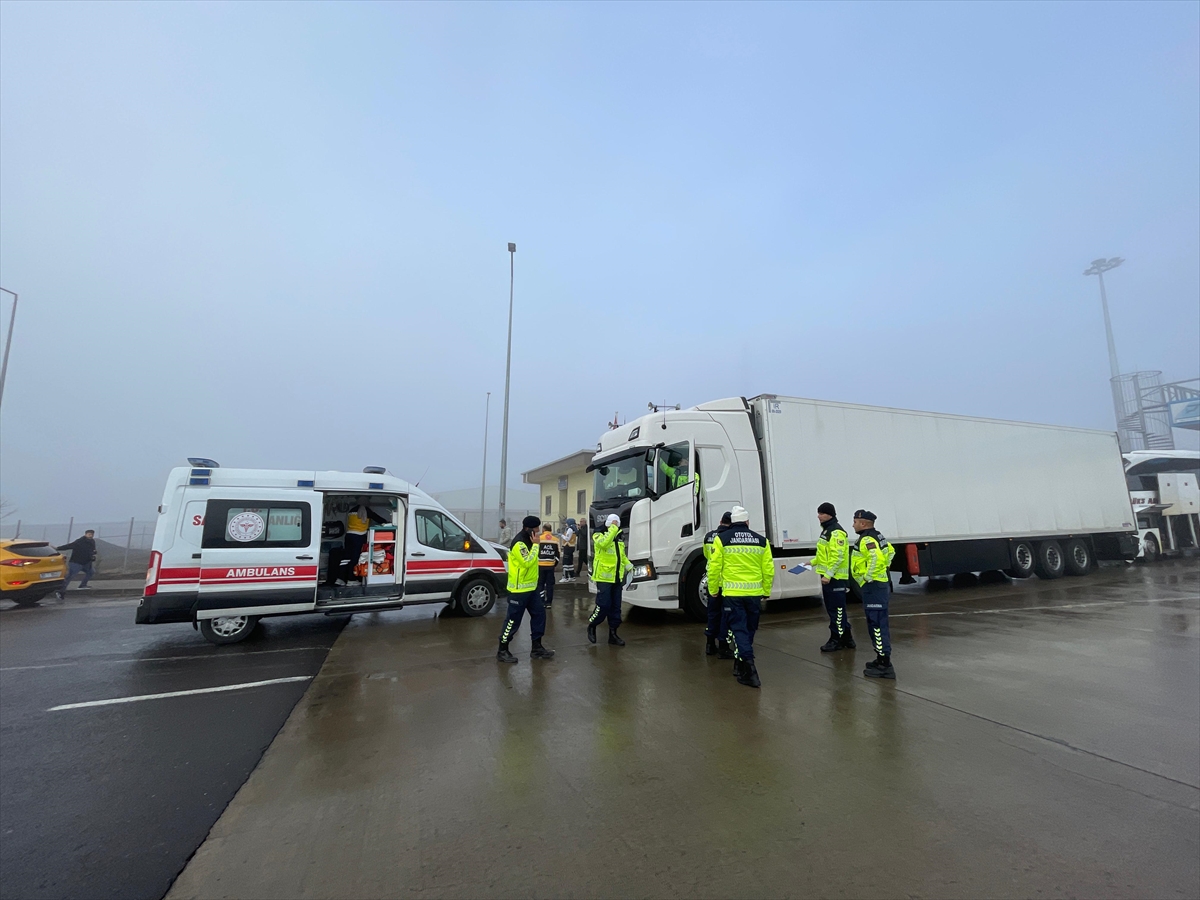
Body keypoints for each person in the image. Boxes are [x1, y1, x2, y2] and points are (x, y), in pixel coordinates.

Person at [707, 506, 773, 688]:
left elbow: (714, 568)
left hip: (732, 594)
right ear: (747, 521)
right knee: (749, 630)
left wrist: (713, 590)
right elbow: (768, 569)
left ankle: (750, 670)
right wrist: (766, 590)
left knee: (739, 631)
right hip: (754, 594)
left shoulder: (722, 539)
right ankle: (740, 664)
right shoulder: (761, 541)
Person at [497, 516, 555, 664]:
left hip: (532, 588)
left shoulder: (530, 540)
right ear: (528, 529)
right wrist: (536, 546)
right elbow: (527, 562)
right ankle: (502, 650)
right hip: (519, 590)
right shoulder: (519, 543)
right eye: (536, 529)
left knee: (540, 615)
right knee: (512, 621)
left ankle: (537, 647)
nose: (538, 532)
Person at [851, 509, 897, 680]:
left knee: (876, 625)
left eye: (855, 521)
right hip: (879, 586)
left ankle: (885, 665)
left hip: (873, 587)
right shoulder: (878, 536)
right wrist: (885, 567)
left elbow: (876, 558)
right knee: (876, 623)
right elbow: (890, 552)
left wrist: (867, 577)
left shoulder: (867, 539)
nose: (853, 525)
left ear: (863, 523)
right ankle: (880, 659)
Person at [814, 502, 855, 653]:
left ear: (830, 514)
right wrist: (811, 562)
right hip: (831, 577)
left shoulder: (835, 532)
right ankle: (847, 638)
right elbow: (824, 555)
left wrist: (828, 575)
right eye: (818, 513)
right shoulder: (827, 531)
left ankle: (836, 639)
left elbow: (837, 557)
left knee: (836, 610)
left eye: (822, 513)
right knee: (837, 610)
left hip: (835, 578)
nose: (819, 516)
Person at [587, 513, 629, 646]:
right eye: (614, 523)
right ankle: (592, 625)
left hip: (617, 578)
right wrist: (613, 529)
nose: (616, 526)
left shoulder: (618, 537)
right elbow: (604, 544)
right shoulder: (598, 534)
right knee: (603, 605)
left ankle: (613, 634)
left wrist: (630, 566)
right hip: (604, 577)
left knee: (616, 608)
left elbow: (621, 556)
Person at [327, 500, 387, 585]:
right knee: (356, 558)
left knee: (346, 558)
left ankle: (340, 579)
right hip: (359, 536)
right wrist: (387, 522)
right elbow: (378, 519)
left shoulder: (352, 510)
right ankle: (351, 579)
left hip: (349, 535)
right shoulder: (366, 510)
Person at [703, 511, 735, 658]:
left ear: (720, 520)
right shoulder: (729, 538)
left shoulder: (709, 536)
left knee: (712, 614)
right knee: (725, 616)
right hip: (726, 583)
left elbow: (706, 555)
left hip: (712, 580)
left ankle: (710, 644)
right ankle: (723, 645)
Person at [537, 523, 561, 607]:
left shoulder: (539, 539)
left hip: (540, 565)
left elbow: (535, 551)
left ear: (543, 529)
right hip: (550, 565)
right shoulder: (555, 539)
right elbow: (558, 553)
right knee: (550, 584)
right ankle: (549, 602)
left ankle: (541, 601)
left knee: (540, 584)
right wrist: (554, 563)